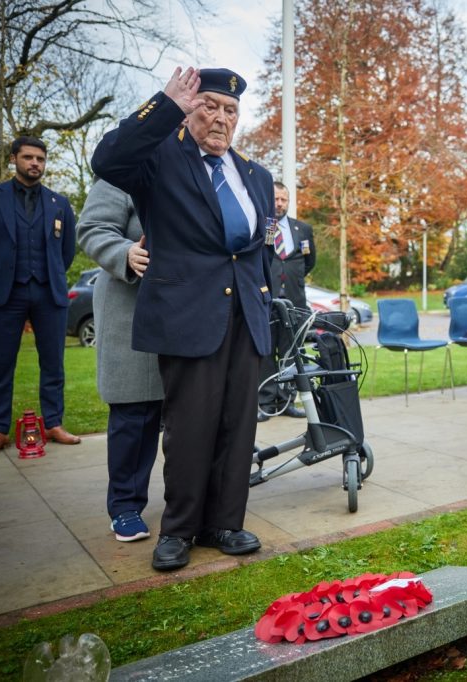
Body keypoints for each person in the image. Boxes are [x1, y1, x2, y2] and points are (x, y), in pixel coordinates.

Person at [92, 66, 274, 571]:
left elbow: (255, 251)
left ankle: (225, 523)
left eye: (230, 110)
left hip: (245, 315)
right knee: (190, 426)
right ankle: (179, 530)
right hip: (188, 313)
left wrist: (266, 310)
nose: (220, 117)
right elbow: (108, 157)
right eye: (209, 105)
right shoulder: (159, 159)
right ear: (191, 108)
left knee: (238, 425)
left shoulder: (255, 174)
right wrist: (164, 105)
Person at [0, 136, 81, 457]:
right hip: (6, 292)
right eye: (28, 157)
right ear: (14, 159)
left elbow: (66, 250)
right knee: (0, 364)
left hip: (48, 292)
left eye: (40, 159)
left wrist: (49, 274)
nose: (35, 164)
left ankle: (53, 423)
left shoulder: (60, 203)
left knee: (53, 363)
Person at [76, 179, 163, 542]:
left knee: (191, 415)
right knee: (135, 412)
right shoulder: (121, 172)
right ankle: (125, 506)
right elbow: (93, 228)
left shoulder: (194, 168)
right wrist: (124, 252)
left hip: (189, 310)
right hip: (133, 307)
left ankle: (191, 503)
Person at [258, 181, 316, 422]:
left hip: (295, 301)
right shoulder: (263, 227)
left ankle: (287, 400)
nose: (279, 204)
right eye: (275, 199)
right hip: (267, 301)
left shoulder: (302, 229)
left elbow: (309, 261)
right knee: (266, 352)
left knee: (291, 353)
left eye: (283, 199)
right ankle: (266, 402)